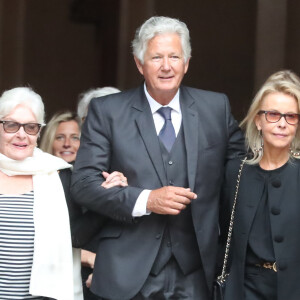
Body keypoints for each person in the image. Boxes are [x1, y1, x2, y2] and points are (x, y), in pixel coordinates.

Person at [71, 16, 244, 300]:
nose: (166, 66)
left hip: (197, 271)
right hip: (126, 272)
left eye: (174, 56)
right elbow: (83, 184)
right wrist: (146, 200)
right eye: (156, 57)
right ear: (139, 64)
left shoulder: (216, 108)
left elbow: (242, 171)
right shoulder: (108, 111)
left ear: (186, 63)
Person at [221, 70, 300, 300]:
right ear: (258, 120)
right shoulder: (236, 172)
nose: (282, 124)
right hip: (245, 291)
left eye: (291, 116)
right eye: (273, 114)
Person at [40, 110, 127, 300]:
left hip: (109, 275)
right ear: (49, 141)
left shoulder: (100, 176)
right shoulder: (52, 179)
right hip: (67, 277)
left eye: (75, 138)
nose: (67, 144)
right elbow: (68, 236)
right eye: (60, 137)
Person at [0, 87, 74, 299]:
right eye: (11, 125)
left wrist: (110, 191)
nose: (21, 134)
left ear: (39, 132)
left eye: (31, 127)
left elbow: (81, 232)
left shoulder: (58, 175)